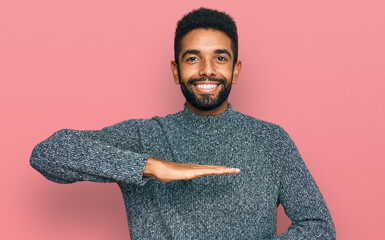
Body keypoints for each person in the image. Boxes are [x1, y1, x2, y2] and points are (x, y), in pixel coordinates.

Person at [30, 7, 336, 239]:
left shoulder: (271, 139)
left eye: (220, 58)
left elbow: (319, 227)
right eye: (193, 59)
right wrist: (150, 166)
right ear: (176, 71)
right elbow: (48, 153)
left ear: (236, 69)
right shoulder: (144, 136)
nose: (206, 70)